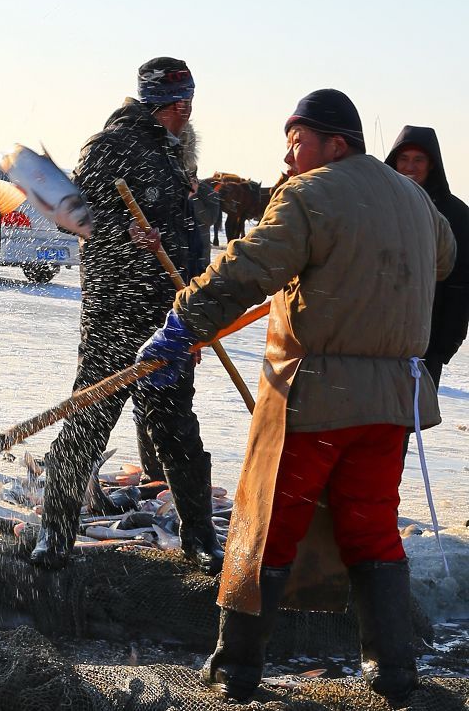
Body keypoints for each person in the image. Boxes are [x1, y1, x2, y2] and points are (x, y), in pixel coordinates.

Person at [136, 89, 456, 703]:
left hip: (316, 398)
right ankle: (393, 671)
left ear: (338, 144)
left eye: (298, 142)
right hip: (391, 402)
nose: (288, 158)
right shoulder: (415, 198)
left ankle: (235, 668)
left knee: (268, 526)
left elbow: (246, 267)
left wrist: (181, 323)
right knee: (372, 528)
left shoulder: (309, 196)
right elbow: (442, 257)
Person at [31, 57, 224, 575]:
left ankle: (199, 538)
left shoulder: (181, 154)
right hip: (115, 310)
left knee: (176, 428)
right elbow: (77, 219)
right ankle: (55, 531)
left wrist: (197, 312)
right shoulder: (110, 146)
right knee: (89, 419)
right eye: (175, 101)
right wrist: (127, 237)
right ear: (152, 100)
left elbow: (190, 238)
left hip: (169, 317)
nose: (184, 111)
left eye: (189, 100)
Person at [385, 127, 469, 392]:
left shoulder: (457, 215)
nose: (410, 166)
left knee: (407, 419)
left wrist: (445, 345)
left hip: (425, 341)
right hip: (373, 340)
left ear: (431, 164)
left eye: (418, 160)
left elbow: (461, 285)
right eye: (403, 159)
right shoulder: (377, 206)